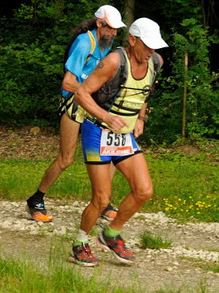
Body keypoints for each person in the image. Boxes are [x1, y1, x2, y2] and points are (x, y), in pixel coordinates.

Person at [68, 17, 167, 267]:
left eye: (155, 46)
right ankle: (80, 243)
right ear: (132, 40)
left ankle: (110, 234)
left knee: (144, 190)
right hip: (98, 131)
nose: (152, 51)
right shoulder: (114, 60)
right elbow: (81, 93)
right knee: (101, 199)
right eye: (147, 45)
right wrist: (105, 116)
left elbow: (145, 92)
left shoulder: (155, 61)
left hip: (123, 135)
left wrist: (141, 118)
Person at [26, 5, 126, 222]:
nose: (114, 33)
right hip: (74, 103)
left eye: (117, 29)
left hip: (93, 104)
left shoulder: (108, 45)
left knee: (107, 156)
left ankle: (103, 203)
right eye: (111, 28)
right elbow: (68, 81)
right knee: (66, 159)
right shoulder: (84, 42)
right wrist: (88, 93)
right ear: (99, 24)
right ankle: (36, 200)